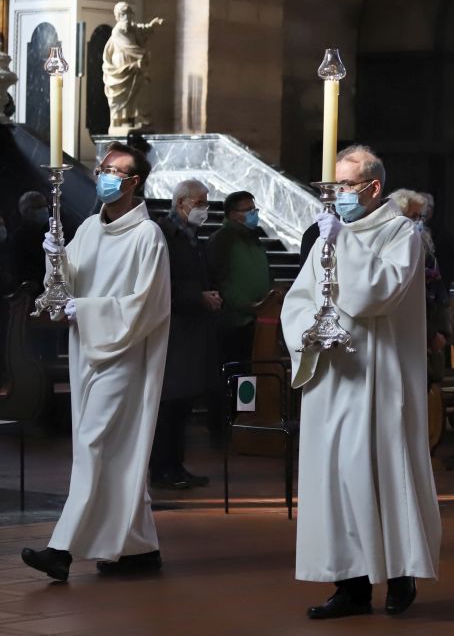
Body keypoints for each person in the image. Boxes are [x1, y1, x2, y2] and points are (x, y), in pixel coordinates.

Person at [281, 145, 440, 620]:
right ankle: (348, 585)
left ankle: (399, 575)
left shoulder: (401, 234)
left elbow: (378, 294)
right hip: (333, 377)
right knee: (333, 480)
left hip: (378, 378)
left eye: (346, 186)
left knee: (379, 472)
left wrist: (340, 243)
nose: (338, 196)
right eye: (333, 187)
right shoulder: (333, 235)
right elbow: (299, 298)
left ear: (373, 187)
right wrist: (311, 331)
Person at [21, 142, 171, 581]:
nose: (104, 175)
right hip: (87, 351)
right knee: (118, 453)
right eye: (102, 167)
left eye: (115, 171)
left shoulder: (149, 238)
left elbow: (146, 306)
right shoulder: (88, 228)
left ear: (133, 182)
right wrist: (54, 257)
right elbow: (64, 285)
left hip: (124, 355)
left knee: (92, 445)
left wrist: (85, 311)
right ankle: (140, 549)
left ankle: (61, 550)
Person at [150, 179, 222, 490]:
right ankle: (162, 469)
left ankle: (176, 466)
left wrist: (208, 294)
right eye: (200, 202)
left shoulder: (191, 235)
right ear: (182, 203)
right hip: (174, 331)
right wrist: (198, 296)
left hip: (192, 331)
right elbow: (162, 283)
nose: (204, 209)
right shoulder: (163, 234)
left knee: (182, 406)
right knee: (169, 406)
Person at [207, 190, 271, 439]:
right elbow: (221, 280)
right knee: (230, 378)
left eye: (254, 209)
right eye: (248, 210)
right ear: (233, 215)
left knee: (248, 378)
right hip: (232, 321)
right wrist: (246, 305)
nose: (254, 214)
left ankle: (245, 423)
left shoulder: (252, 238)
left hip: (256, 320)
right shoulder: (223, 239)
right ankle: (224, 428)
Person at [388, 188, 451, 383]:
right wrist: (430, 334)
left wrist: (441, 332)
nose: (418, 223)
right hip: (405, 340)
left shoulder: (427, 253)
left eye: (419, 217)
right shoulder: (389, 250)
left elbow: (441, 296)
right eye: (412, 217)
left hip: (430, 341)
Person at [102, 1, 164, 130]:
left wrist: (152, 25)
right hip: (123, 68)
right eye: (124, 14)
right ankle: (118, 120)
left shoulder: (132, 27)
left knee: (137, 92)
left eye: (129, 14)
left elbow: (141, 29)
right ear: (118, 16)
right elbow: (128, 47)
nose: (127, 18)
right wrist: (143, 55)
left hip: (135, 67)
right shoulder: (117, 31)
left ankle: (133, 118)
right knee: (120, 94)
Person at [10, 190, 49, 292]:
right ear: (26, 211)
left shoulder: (50, 232)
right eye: (39, 207)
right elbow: (19, 270)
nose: (44, 210)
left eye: (45, 206)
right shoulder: (18, 238)